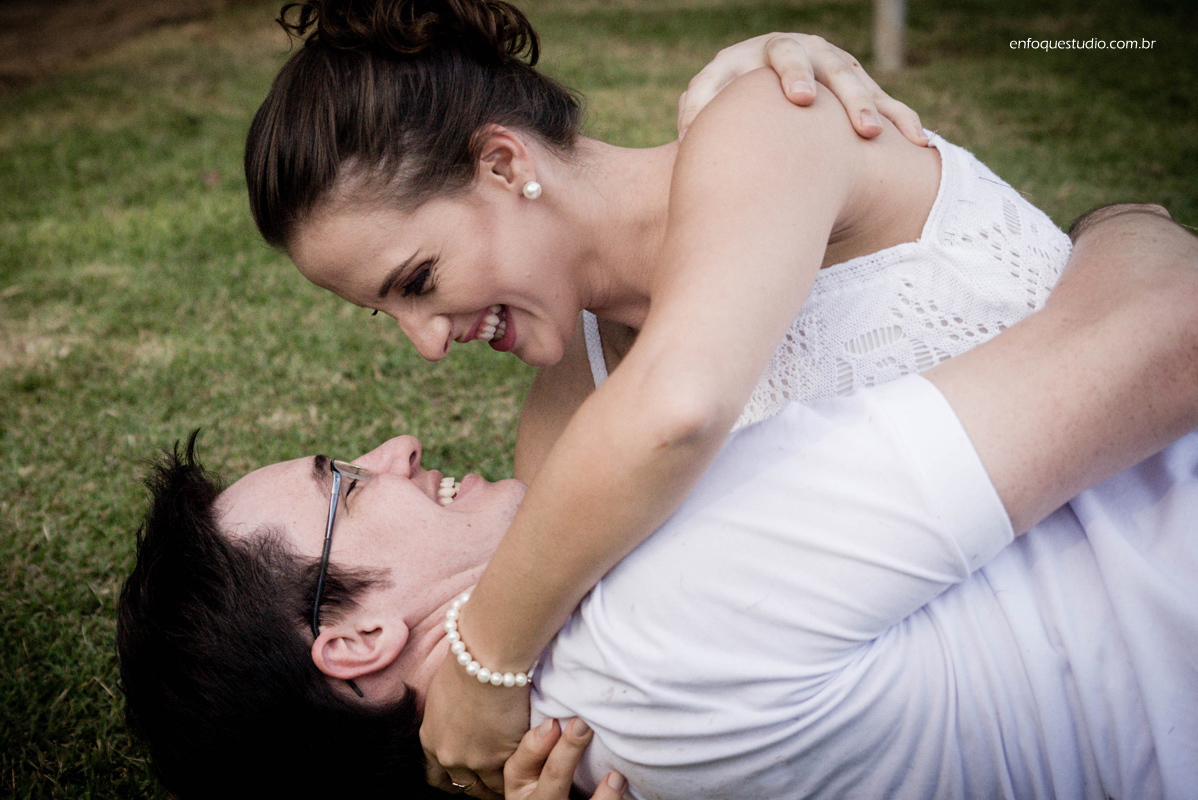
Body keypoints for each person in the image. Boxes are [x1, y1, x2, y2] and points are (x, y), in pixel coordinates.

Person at [241, 2, 1083, 788]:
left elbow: (680, 408)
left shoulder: (768, 119)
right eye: (384, 311)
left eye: (419, 280)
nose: (426, 344)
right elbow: (593, 699)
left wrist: (482, 656)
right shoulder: (570, 407)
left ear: (503, 163)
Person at [117, 206, 1198, 799]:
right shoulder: (665, 605)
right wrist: (1121, 217)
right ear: (354, 638)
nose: (396, 443)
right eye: (344, 485)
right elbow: (1172, 335)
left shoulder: (586, 740)